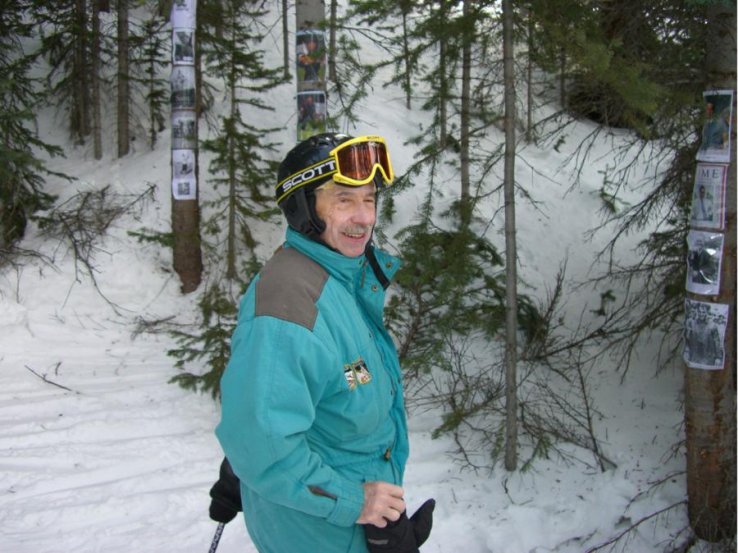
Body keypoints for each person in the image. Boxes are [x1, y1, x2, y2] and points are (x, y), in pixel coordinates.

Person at [215, 133, 435, 553]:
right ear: (304, 210)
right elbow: (261, 442)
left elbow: (285, 396)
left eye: (369, 199)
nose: (364, 217)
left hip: (347, 526)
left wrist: (238, 467)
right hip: (319, 534)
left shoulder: (340, 280)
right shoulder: (291, 304)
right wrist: (357, 501)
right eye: (343, 200)